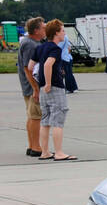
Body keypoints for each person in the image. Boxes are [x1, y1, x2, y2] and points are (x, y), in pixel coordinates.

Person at [35, 19, 76, 161]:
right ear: (57, 33)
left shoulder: (40, 48)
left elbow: (30, 66)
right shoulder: (55, 49)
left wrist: (42, 83)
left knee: (45, 121)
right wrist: (48, 83)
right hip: (54, 87)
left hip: (42, 89)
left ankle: (45, 152)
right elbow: (48, 64)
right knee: (58, 120)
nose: (64, 33)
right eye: (63, 30)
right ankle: (59, 152)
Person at [17, 17, 45, 157]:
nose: (45, 30)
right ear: (36, 30)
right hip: (32, 86)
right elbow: (28, 68)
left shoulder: (30, 42)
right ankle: (36, 147)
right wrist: (35, 88)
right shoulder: (31, 45)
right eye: (43, 27)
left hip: (28, 86)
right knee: (36, 117)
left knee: (31, 116)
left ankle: (31, 145)